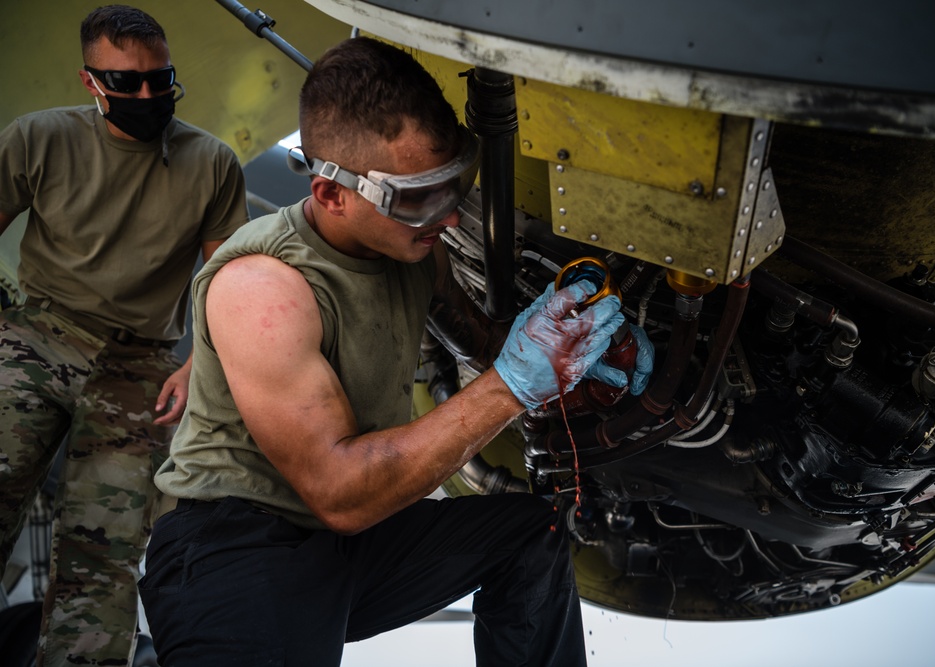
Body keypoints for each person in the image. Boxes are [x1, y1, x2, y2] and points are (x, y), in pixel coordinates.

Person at [138, 37, 651, 666]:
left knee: (527, 533)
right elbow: (339, 490)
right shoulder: (261, 289)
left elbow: (484, 343)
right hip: (233, 549)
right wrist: (511, 386)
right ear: (331, 193)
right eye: (417, 198)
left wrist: (575, 344)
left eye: (454, 185)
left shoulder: (412, 247)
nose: (450, 218)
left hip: (344, 545)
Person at [0, 5, 249, 666]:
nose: (147, 95)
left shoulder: (211, 163)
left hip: (138, 364)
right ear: (91, 82)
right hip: (38, 335)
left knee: (103, 552)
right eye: (127, 82)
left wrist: (201, 362)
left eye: (159, 80)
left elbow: (228, 284)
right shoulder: (37, 138)